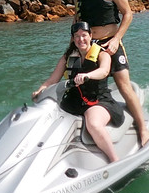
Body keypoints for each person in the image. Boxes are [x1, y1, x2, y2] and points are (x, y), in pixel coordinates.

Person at [73, 0, 149, 147]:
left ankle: (143, 128)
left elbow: (128, 13)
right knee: (87, 86)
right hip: (90, 46)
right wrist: (73, 46)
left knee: (124, 85)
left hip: (110, 43)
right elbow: (78, 18)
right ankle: (95, 125)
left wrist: (116, 39)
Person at [32, 21, 121, 162]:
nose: (81, 39)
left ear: (90, 36)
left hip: (97, 101)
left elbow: (104, 71)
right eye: (77, 36)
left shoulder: (102, 54)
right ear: (73, 39)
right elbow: (52, 80)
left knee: (94, 124)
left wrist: (88, 75)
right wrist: (40, 91)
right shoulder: (68, 57)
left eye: (84, 35)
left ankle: (115, 160)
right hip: (72, 102)